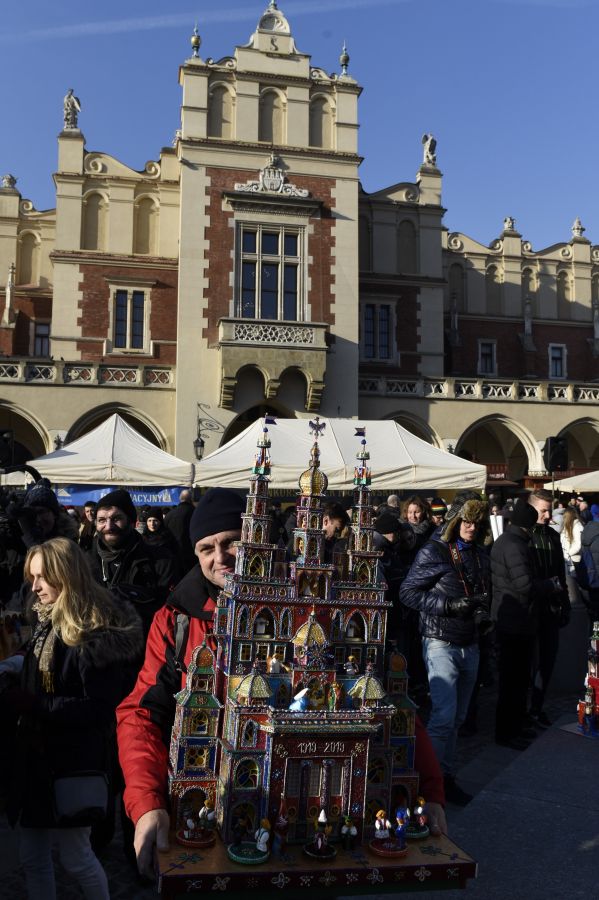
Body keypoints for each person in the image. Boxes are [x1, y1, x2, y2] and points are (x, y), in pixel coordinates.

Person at [117, 487, 448, 878]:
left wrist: (430, 790)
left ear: (260, 543)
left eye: (230, 543)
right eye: (206, 548)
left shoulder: (310, 604)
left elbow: (392, 708)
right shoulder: (177, 619)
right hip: (219, 799)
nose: (219, 557)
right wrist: (147, 801)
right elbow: (140, 713)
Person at [1, 537, 143, 900]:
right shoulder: (44, 622)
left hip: (71, 765)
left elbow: (97, 708)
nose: (34, 587)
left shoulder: (91, 632)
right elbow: (44, 671)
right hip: (34, 761)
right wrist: (17, 668)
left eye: (42, 578)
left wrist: (33, 704)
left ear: (66, 576)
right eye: (32, 578)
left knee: (76, 857)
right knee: (32, 857)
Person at [400, 492, 492, 806]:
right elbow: (408, 593)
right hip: (441, 641)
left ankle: (445, 777)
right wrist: (449, 605)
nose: (471, 527)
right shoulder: (434, 551)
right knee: (443, 716)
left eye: (477, 522)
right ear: (455, 519)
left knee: (458, 718)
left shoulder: (480, 553)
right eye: (466, 520)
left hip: (471, 641)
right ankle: (431, 788)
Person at [491, 499, 563, 749]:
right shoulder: (515, 545)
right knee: (514, 682)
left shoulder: (511, 542)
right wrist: (550, 585)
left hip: (516, 621)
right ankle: (508, 733)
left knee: (517, 681)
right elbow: (524, 586)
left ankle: (515, 728)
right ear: (527, 525)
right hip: (515, 623)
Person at [88, 489, 180, 634]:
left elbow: (168, 613)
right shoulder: (84, 562)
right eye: (102, 520)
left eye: (116, 518)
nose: (109, 526)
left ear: (131, 522)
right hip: (94, 646)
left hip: (142, 646)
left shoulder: (160, 561)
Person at [528, 490, 569, 728]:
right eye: (542, 510)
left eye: (548, 510)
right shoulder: (525, 537)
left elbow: (560, 574)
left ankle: (537, 707)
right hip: (531, 609)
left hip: (551, 609)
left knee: (547, 661)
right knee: (529, 664)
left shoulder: (553, 536)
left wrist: (564, 604)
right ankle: (526, 710)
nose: (546, 515)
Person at [164, 490, 196, 574]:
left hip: (173, 554)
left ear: (180, 499)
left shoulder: (170, 514)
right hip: (192, 555)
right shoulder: (196, 513)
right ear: (191, 499)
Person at [561, 506, 585, 612]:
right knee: (572, 582)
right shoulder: (568, 526)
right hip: (568, 559)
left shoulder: (577, 525)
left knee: (579, 584)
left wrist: (568, 553)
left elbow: (578, 544)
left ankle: (585, 605)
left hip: (575, 559)